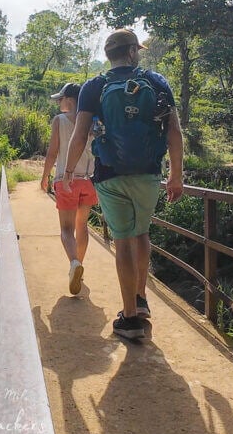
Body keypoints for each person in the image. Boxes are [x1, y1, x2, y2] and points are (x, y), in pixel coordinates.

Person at [62, 28, 184, 340]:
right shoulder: (156, 82)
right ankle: (141, 299)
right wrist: (176, 175)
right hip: (147, 173)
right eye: (137, 50)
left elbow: (79, 135)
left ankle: (130, 319)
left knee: (123, 240)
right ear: (132, 52)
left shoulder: (95, 86)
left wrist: (67, 172)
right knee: (141, 233)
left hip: (109, 174)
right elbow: (174, 132)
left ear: (109, 55)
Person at [40, 83, 98, 296]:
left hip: (66, 180)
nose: (59, 102)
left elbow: (52, 152)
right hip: (89, 181)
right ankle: (79, 269)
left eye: (60, 99)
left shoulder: (59, 120)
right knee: (81, 225)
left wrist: (45, 176)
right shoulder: (93, 122)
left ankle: (74, 263)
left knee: (66, 229)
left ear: (70, 100)